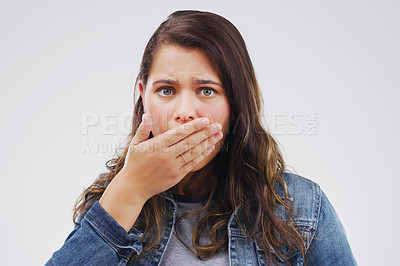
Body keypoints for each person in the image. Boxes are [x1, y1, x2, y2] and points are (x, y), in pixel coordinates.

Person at [46, 10, 357, 265]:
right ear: (143, 95)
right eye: (166, 90)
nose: (185, 112)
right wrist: (130, 190)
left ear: (236, 103)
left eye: (206, 91)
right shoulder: (114, 201)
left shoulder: (303, 208)